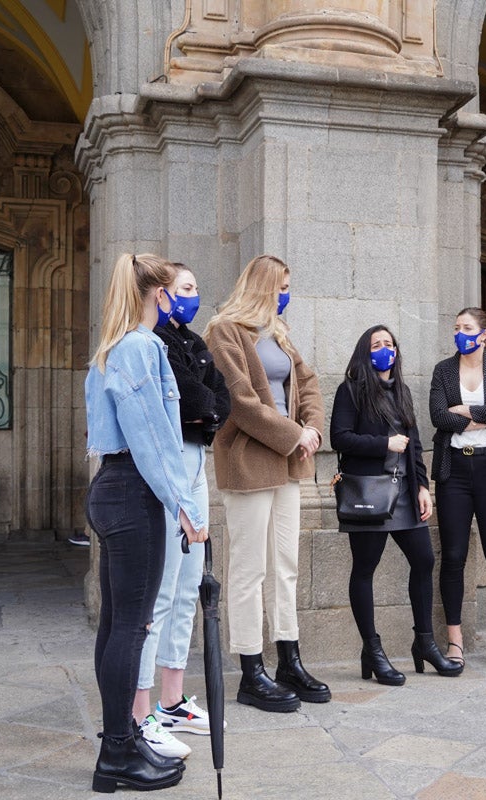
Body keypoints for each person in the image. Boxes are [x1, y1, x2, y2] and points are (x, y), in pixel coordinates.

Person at [84, 253, 208, 793]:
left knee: (119, 625)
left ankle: (123, 740)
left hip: (116, 488)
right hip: (133, 492)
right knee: (131, 627)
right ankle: (117, 751)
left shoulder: (111, 350)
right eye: (169, 294)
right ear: (158, 295)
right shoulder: (141, 346)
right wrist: (185, 504)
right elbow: (154, 436)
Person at [204, 254, 328, 713]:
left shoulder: (278, 331)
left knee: (285, 564)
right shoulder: (223, 331)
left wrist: (311, 427)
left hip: (290, 462)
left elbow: (308, 382)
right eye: (282, 286)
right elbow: (238, 400)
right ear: (263, 285)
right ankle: (251, 670)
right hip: (249, 460)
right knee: (249, 568)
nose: (285, 295)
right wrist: (295, 435)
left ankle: (288, 658)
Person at [131, 263, 231, 758]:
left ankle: (172, 700)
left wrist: (203, 405)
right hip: (170, 459)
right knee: (163, 591)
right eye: (187, 289)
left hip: (197, 459)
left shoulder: (191, 341)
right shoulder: (151, 343)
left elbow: (221, 400)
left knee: (190, 584)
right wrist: (201, 402)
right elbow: (191, 396)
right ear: (163, 294)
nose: (195, 297)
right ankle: (141, 711)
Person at [330, 325, 462, 685]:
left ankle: (424, 644)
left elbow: (415, 444)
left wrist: (422, 487)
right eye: (376, 344)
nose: (384, 349)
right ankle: (372, 650)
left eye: (389, 344)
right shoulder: (351, 391)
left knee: (424, 559)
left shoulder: (401, 391)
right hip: (370, 494)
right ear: (364, 351)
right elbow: (339, 438)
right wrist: (383, 444)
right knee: (365, 567)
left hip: (404, 492)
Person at [429, 307, 486, 673]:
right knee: (452, 556)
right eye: (456, 328)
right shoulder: (443, 370)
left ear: (483, 333)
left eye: (467, 328)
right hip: (454, 471)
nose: (460, 333)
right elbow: (437, 416)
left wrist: (462, 410)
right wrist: (481, 413)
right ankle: (455, 641)